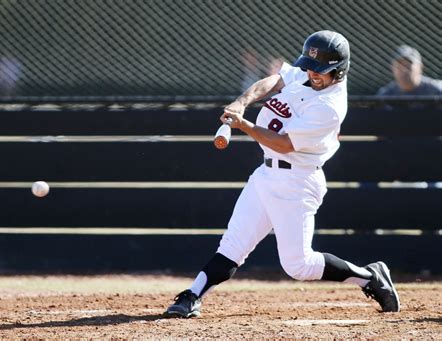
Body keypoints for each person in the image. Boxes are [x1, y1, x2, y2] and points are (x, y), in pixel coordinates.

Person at [164, 30, 400, 318]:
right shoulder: (307, 74)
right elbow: (275, 80)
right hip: (266, 175)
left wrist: (244, 125)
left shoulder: (330, 107)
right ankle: (192, 295)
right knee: (233, 244)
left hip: (297, 182)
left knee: (298, 266)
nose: (313, 73)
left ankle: (369, 277)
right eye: (310, 67)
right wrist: (242, 102)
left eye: (321, 70)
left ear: (339, 70)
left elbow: (284, 144)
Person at [377, 45, 442, 96]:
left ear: (420, 67)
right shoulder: (386, 95)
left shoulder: (436, 90)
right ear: (392, 68)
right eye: (399, 66)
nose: (404, 70)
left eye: (408, 65)